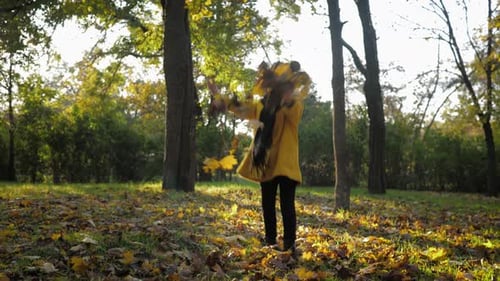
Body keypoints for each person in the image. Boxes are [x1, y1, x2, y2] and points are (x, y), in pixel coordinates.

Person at [208, 61, 311, 252]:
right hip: (266, 161)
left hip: (286, 162)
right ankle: (270, 241)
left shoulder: (293, 104)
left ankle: (289, 243)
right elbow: (238, 107)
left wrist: (288, 98)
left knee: (287, 204)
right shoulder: (260, 105)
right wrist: (218, 95)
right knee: (267, 203)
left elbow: (294, 117)